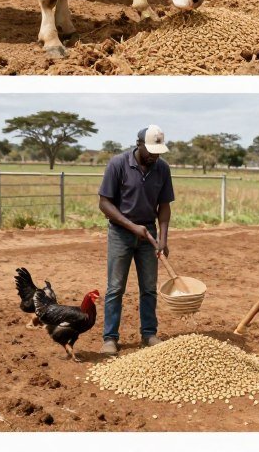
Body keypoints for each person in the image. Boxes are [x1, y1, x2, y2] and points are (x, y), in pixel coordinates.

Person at [98, 125, 173, 354]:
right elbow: (104, 203)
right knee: (115, 288)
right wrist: (131, 226)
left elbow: (164, 206)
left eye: (158, 151)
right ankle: (110, 338)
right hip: (121, 233)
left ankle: (149, 334)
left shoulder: (162, 169)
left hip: (148, 234)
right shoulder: (118, 164)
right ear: (138, 144)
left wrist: (163, 238)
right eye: (150, 150)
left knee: (149, 288)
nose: (154, 155)